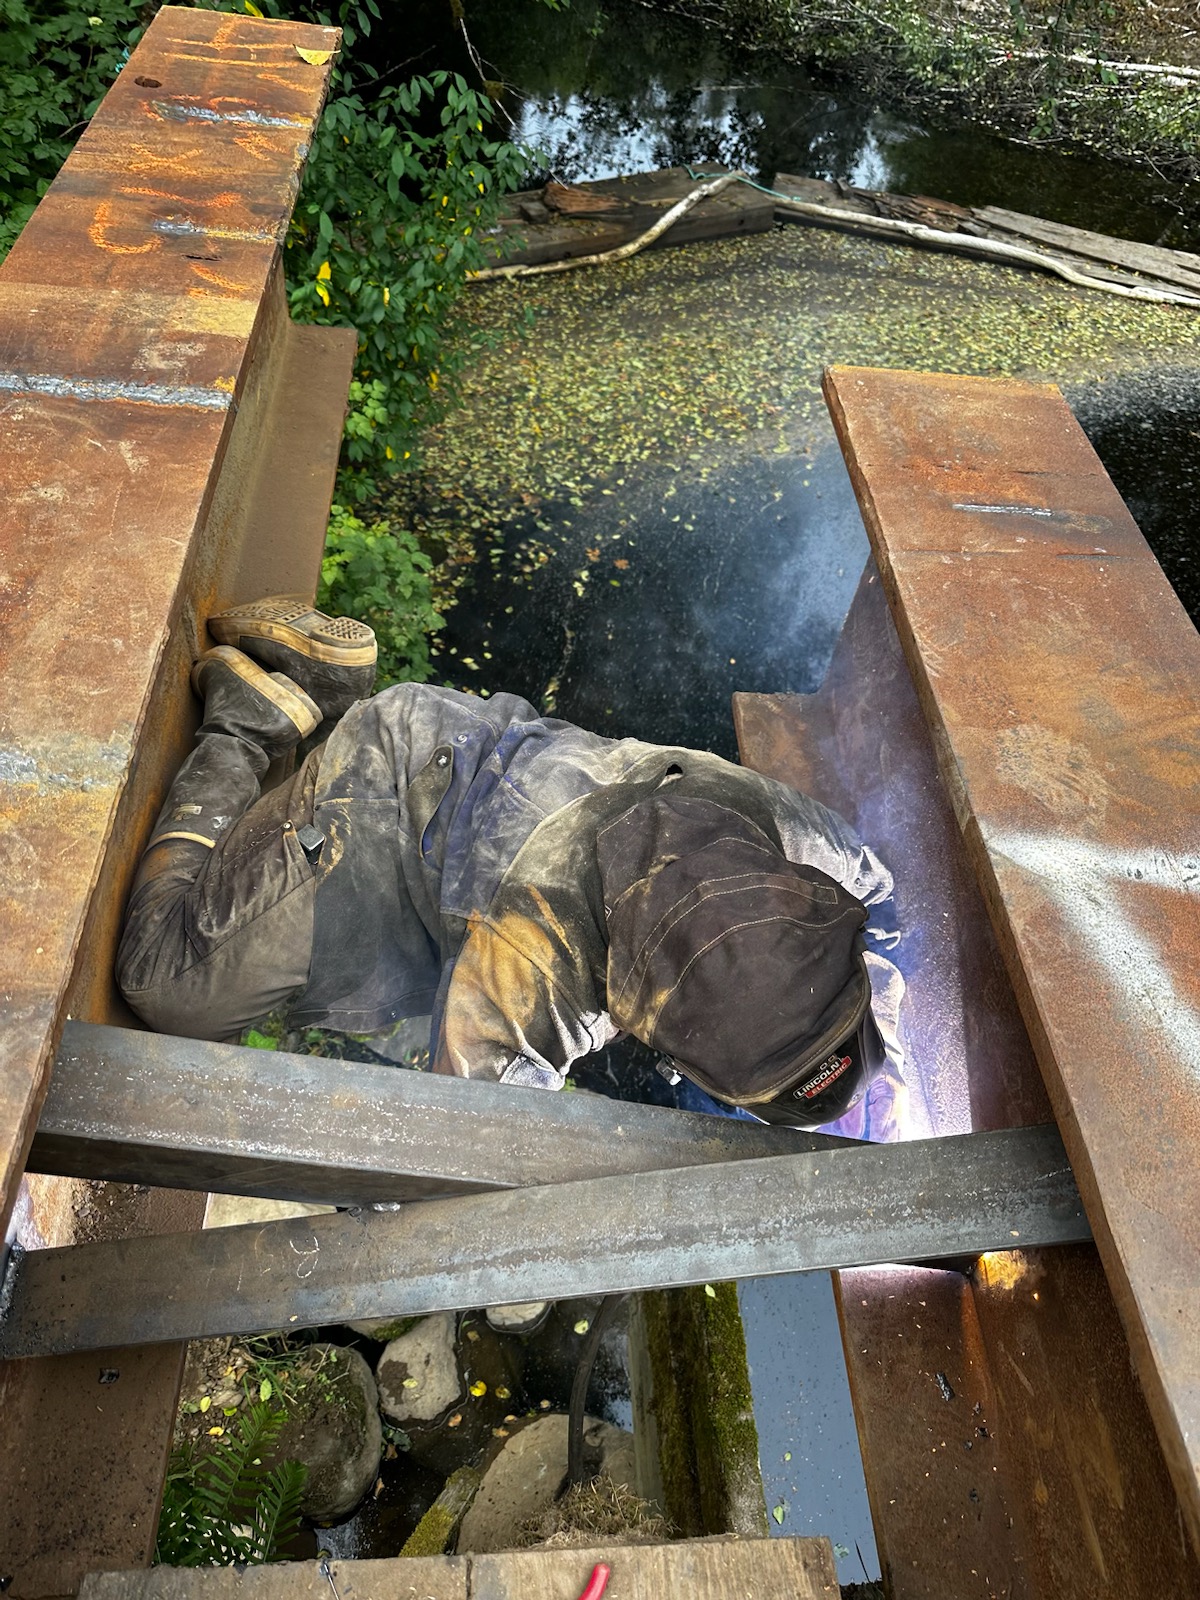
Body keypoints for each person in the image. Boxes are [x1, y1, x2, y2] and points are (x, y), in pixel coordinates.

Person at [118, 598, 907, 1138]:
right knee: (169, 988)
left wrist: (881, 1042)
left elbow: (881, 899)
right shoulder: (537, 959)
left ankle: (325, 686)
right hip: (380, 802)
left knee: (399, 1010)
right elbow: (465, 1134)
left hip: (470, 752)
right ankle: (247, 721)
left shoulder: (795, 841)